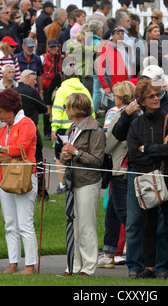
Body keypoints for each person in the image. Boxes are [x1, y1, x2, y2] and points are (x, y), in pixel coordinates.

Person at [127, 79, 168, 279]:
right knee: (147, 224)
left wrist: (147, 148)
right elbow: (134, 155)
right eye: (151, 96)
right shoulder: (135, 124)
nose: (156, 98)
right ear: (141, 100)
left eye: (158, 94)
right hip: (146, 179)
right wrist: (158, 149)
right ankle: (149, 267)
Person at [0, 88, 38, 274]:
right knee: (10, 223)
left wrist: (0, 149)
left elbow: (19, 149)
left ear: (11, 108)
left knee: (25, 222)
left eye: (0, 111)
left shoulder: (27, 123)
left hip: (25, 177)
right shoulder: (5, 128)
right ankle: (13, 263)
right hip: (5, 177)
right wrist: (0, 155)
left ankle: (30, 265)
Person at [58, 93, 105, 276]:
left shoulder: (95, 130)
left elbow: (97, 160)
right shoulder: (73, 128)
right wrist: (66, 155)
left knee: (87, 226)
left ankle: (88, 266)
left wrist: (75, 152)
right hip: (73, 182)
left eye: (67, 106)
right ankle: (73, 266)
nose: (64, 109)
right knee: (74, 225)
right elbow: (65, 155)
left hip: (88, 182)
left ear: (76, 109)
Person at [98, 81, 136, 269]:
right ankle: (108, 252)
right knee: (112, 212)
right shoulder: (137, 112)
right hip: (125, 165)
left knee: (122, 212)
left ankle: (137, 251)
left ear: (119, 96)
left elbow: (108, 141)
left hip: (119, 166)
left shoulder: (114, 113)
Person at [51, 63, 94, 194]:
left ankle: (61, 185)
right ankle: (75, 183)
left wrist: (54, 128)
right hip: (81, 128)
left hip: (63, 129)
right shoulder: (84, 90)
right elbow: (91, 109)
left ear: (64, 77)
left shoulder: (62, 90)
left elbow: (57, 110)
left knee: (60, 156)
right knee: (77, 154)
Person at [16, 69, 49, 200]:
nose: (36, 82)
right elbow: (44, 108)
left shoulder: (12, 91)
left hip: (16, 132)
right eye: (34, 79)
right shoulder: (31, 92)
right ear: (27, 78)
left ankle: (18, 186)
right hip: (31, 131)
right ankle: (42, 193)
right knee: (37, 160)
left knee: (17, 159)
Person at [97, 27, 133, 107]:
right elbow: (100, 69)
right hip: (113, 87)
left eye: (122, 33)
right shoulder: (106, 49)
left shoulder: (127, 48)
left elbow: (129, 65)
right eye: (118, 33)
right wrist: (105, 86)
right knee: (114, 111)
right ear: (112, 36)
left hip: (126, 85)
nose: (120, 35)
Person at [41, 39, 63, 140]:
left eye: (55, 47)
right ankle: (47, 132)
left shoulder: (61, 57)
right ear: (48, 48)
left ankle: (56, 129)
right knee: (47, 109)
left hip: (58, 87)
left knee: (58, 108)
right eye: (51, 47)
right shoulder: (43, 57)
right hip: (47, 87)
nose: (53, 49)